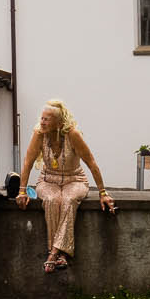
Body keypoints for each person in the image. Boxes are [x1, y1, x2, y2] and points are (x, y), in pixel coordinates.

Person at [15, 100, 115, 273]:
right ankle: (61, 255)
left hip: (75, 179)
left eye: (47, 119)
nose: (42, 122)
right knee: (53, 200)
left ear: (59, 123)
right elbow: (28, 162)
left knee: (68, 200)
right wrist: (22, 190)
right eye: (42, 118)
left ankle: (53, 253)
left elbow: (91, 163)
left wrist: (103, 192)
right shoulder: (39, 133)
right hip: (47, 180)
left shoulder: (73, 135)